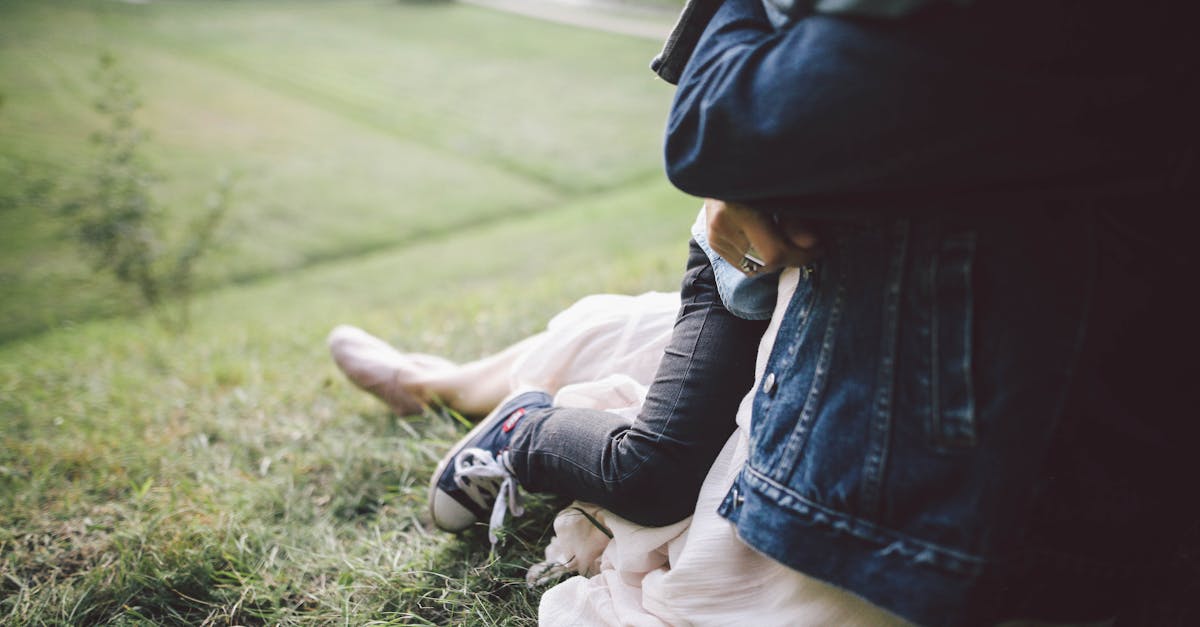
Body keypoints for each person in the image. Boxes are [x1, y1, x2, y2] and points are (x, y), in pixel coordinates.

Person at [651, 0, 1198, 625]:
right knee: (651, 452)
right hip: (850, 379)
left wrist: (751, 160)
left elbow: (713, 129)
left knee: (655, 469)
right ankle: (514, 423)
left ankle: (516, 419)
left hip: (981, 505)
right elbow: (732, 137)